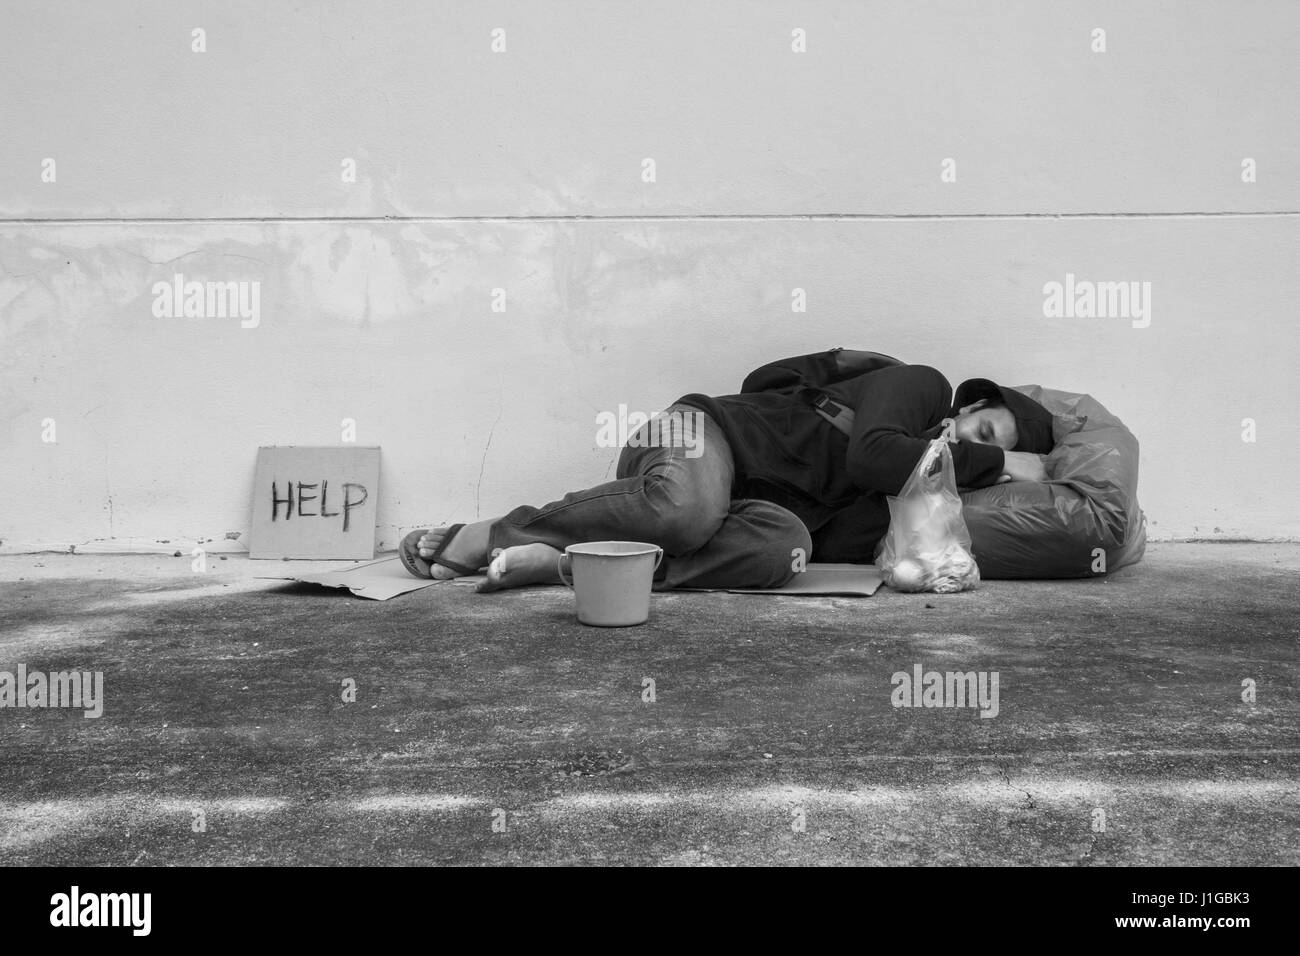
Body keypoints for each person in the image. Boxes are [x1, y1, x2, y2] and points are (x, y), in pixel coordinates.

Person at [399, 347, 1054, 590]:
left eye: (992, 446)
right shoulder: (919, 386)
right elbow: (871, 453)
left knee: (785, 549)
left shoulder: (911, 495)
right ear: (969, 406)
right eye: (986, 429)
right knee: (686, 509)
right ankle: (501, 531)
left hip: (730, 509)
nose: (980, 446)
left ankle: (571, 566)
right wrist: (1002, 464)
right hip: (699, 432)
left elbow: (826, 543)